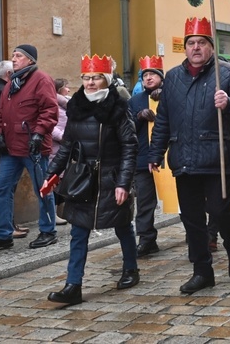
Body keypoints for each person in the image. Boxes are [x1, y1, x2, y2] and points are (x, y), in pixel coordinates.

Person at [148, 17, 230, 294]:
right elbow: (163, 119)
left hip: (217, 156)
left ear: (210, 46)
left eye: (201, 43)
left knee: (218, 209)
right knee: (191, 218)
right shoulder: (172, 77)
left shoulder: (228, 74)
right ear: (185, 48)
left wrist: (229, 103)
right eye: (191, 43)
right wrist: (155, 152)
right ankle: (202, 271)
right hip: (183, 155)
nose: (196, 48)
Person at [44, 54, 139, 306]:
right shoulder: (76, 106)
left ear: (106, 80)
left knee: (122, 226)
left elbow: (130, 146)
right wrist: (52, 174)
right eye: (86, 78)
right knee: (78, 232)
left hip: (111, 177)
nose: (90, 83)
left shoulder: (118, 108)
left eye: (96, 78)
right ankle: (73, 285)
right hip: (83, 179)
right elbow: (66, 146)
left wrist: (123, 183)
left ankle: (131, 269)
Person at [0, 45, 58, 252]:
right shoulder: (10, 84)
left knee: (42, 189)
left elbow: (50, 110)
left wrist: (39, 133)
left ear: (30, 60)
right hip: (10, 149)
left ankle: (48, 231)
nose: (14, 59)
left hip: (34, 147)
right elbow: (0, 114)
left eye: (19, 56)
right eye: (13, 55)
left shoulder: (41, 79)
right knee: (2, 189)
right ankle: (4, 234)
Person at [0, 60, 29, 239]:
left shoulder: (0, 89)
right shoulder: (0, 91)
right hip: (5, 147)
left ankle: (10, 224)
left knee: (9, 188)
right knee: (7, 188)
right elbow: (3, 121)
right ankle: (8, 226)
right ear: (10, 74)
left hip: (7, 146)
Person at [128, 55, 164, 257]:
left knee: (182, 199)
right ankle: (147, 239)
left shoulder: (173, 94)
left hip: (169, 157)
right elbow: (126, 128)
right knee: (144, 201)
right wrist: (139, 116)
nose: (149, 78)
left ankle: (195, 234)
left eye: (153, 74)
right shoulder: (135, 101)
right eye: (145, 75)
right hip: (143, 157)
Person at [51, 78, 70, 226]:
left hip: (65, 147)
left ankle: (60, 212)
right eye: (66, 87)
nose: (68, 90)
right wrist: (62, 137)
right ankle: (53, 213)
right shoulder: (53, 104)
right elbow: (50, 125)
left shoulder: (66, 104)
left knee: (63, 181)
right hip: (54, 147)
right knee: (53, 180)